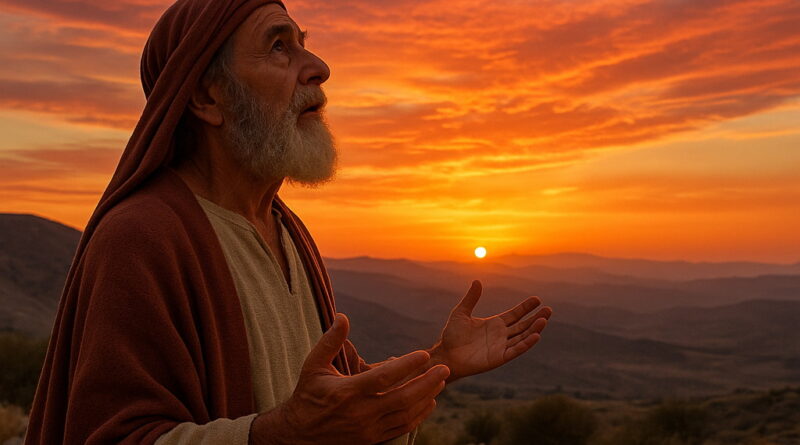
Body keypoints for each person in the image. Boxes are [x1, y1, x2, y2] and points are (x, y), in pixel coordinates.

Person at [24, 1, 552, 444]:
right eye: (280, 46)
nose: (318, 66)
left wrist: (440, 363)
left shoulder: (286, 228)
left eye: (303, 42)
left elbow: (334, 404)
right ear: (208, 97)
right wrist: (282, 434)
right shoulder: (142, 237)